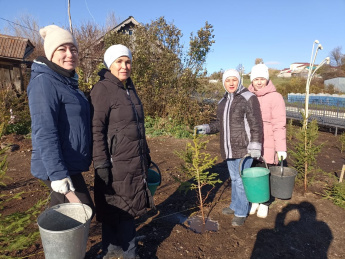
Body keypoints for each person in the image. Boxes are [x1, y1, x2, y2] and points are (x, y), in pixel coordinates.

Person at [90, 44, 154, 259]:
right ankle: (130, 254)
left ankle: (112, 248)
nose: (124, 66)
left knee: (118, 207)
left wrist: (145, 152)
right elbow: (96, 129)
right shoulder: (102, 89)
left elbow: (137, 126)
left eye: (127, 61)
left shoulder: (129, 89)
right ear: (110, 64)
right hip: (115, 162)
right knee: (123, 209)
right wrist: (100, 163)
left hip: (133, 159)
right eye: (119, 61)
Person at [27, 25, 94, 210]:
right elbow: (44, 130)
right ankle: (56, 239)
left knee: (63, 214)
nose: (70, 54)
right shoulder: (44, 82)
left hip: (68, 163)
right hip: (57, 165)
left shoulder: (67, 82)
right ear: (50, 54)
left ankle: (55, 238)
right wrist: (57, 174)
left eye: (73, 49)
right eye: (62, 49)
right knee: (81, 210)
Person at [195, 69, 263, 227]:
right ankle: (234, 205)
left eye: (234, 80)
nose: (231, 83)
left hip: (244, 147)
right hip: (228, 147)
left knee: (240, 180)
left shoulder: (248, 97)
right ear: (223, 83)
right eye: (228, 80)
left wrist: (255, 144)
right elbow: (219, 124)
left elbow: (256, 123)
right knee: (234, 179)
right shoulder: (222, 102)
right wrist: (205, 128)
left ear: (239, 81)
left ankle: (241, 211)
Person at [248, 63, 287, 218]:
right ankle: (255, 200)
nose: (259, 82)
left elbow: (279, 124)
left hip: (269, 142)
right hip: (252, 141)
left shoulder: (275, 97)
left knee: (267, 172)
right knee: (253, 172)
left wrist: (281, 148)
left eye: (262, 79)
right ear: (251, 80)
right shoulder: (248, 96)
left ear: (267, 80)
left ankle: (265, 202)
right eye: (256, 79)